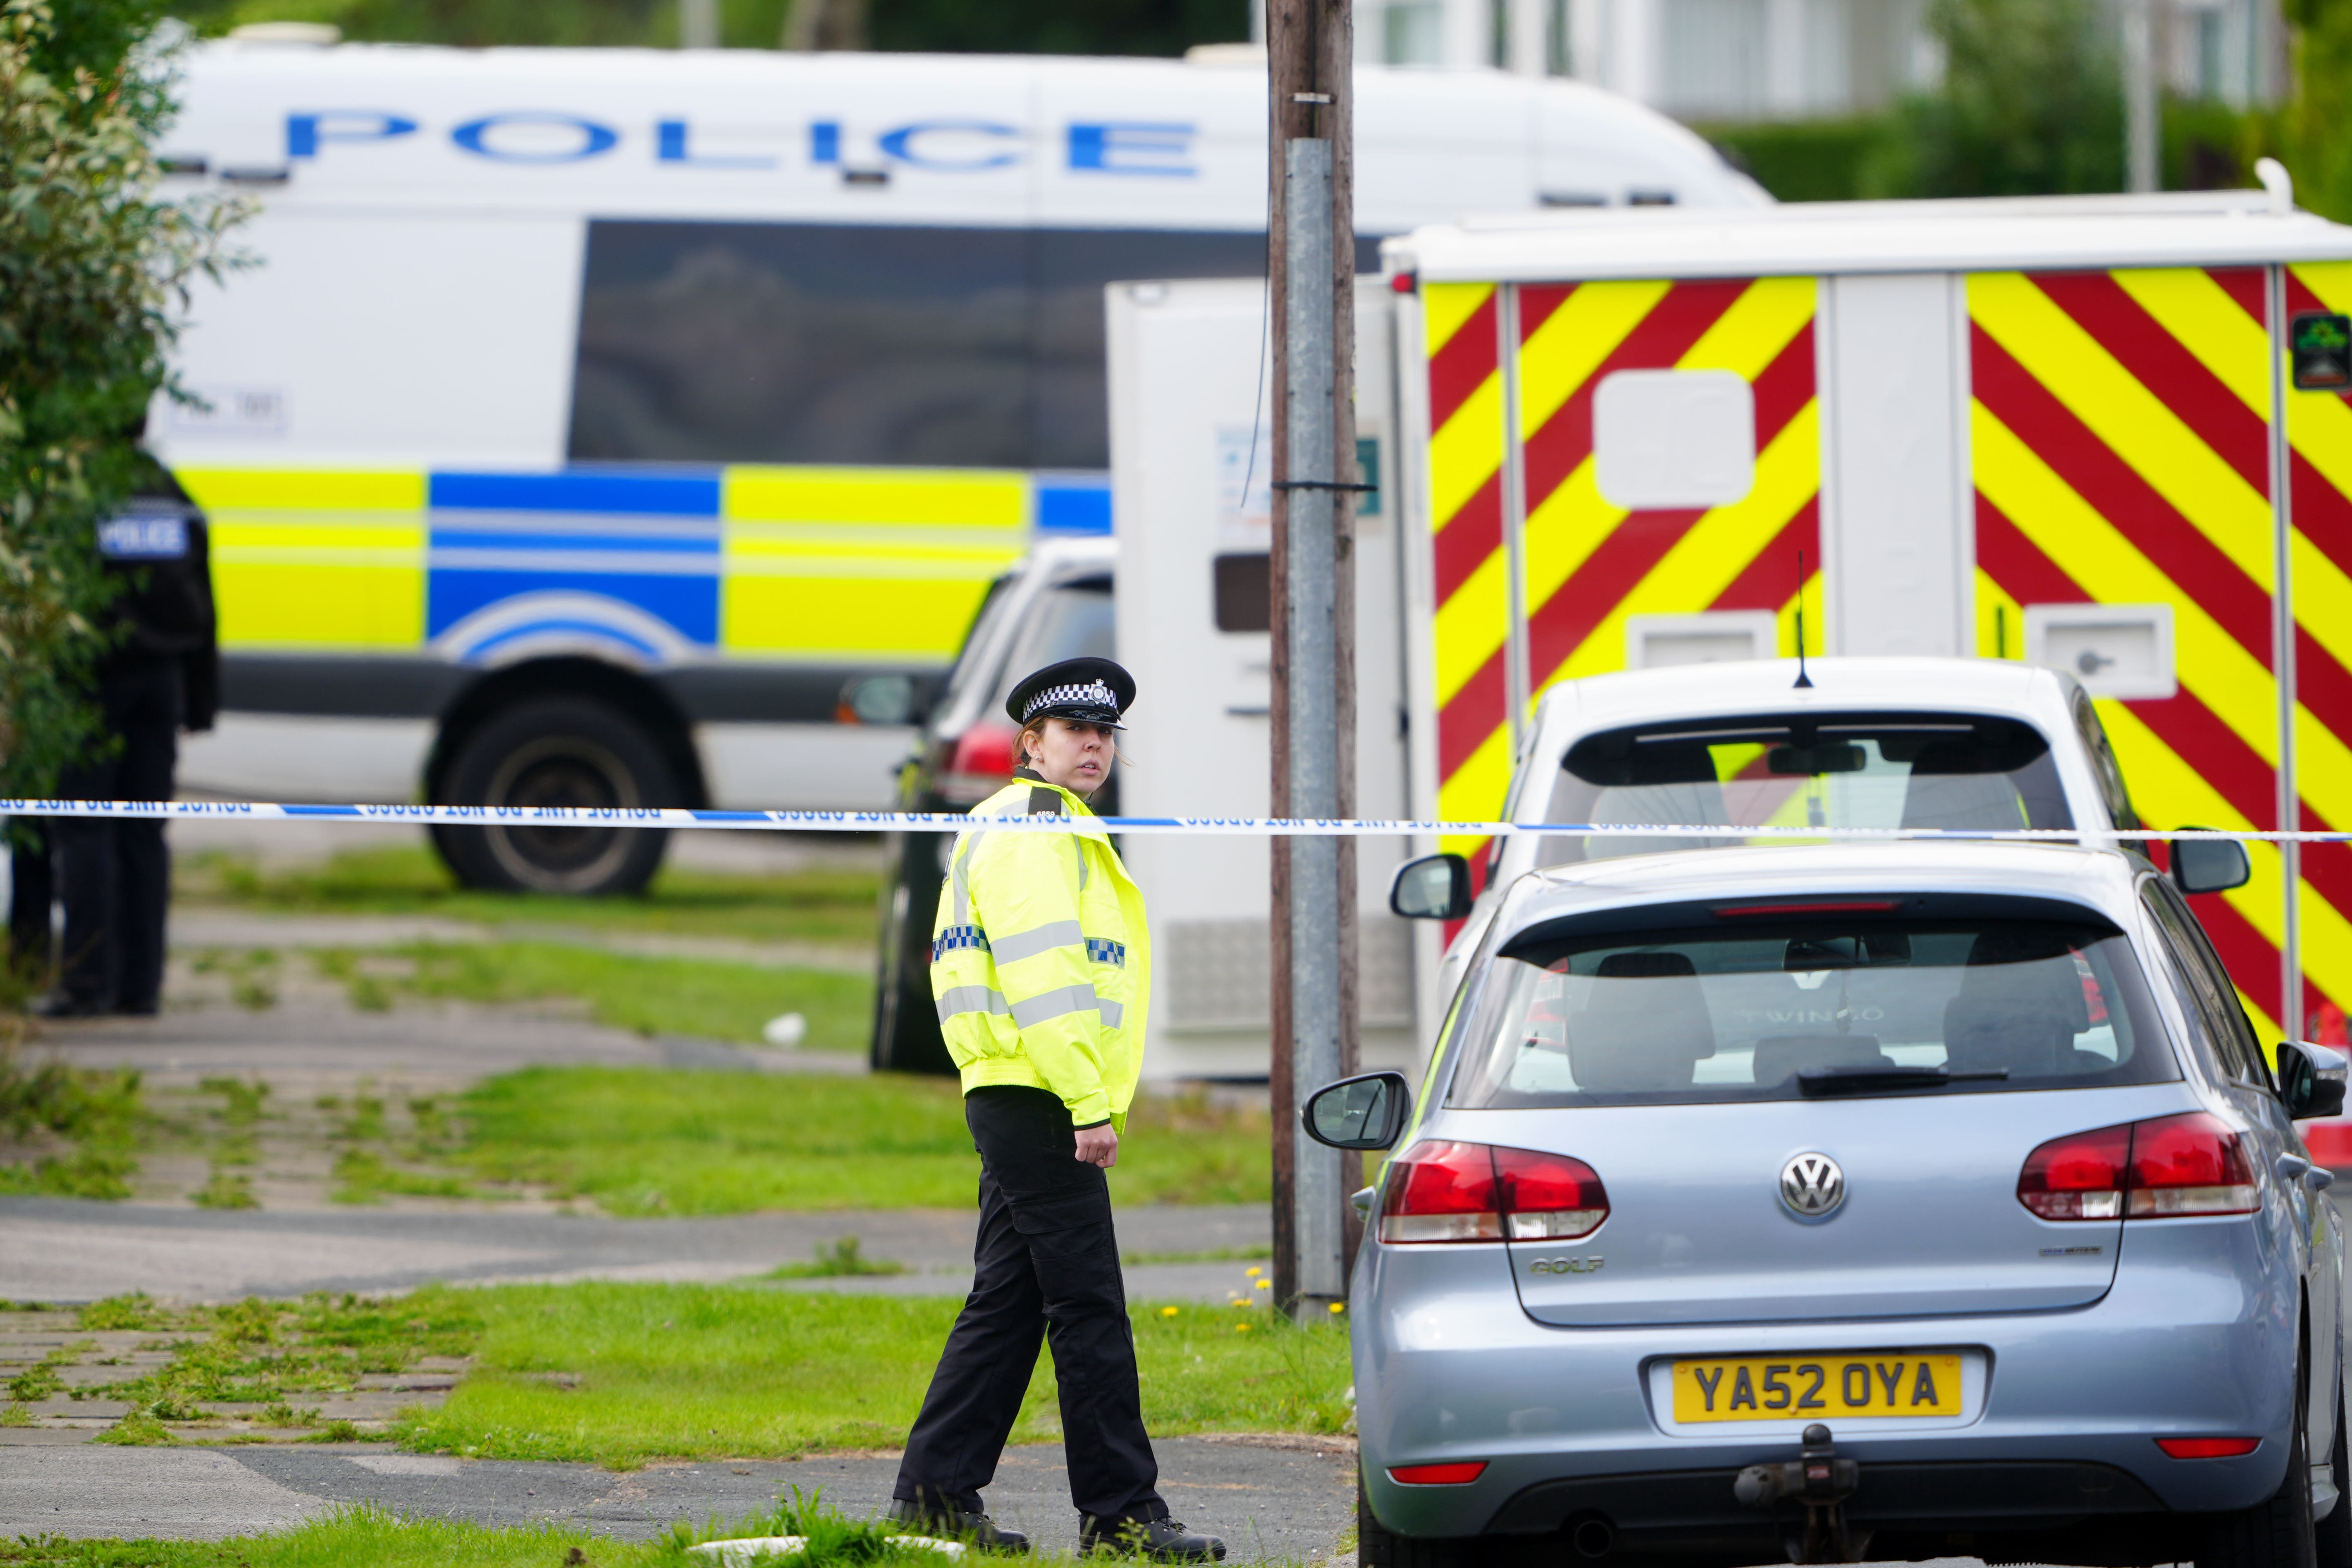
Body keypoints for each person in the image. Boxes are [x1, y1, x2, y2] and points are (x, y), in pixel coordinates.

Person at [890, 657, 1224, 1563]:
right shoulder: (1038, 831)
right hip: (1040, 1089)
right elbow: (1046, 976)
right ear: (1028, 745)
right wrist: (1087, 1101)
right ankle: (1122, 1519)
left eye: (1105, 732)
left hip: (1015, 1083)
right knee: (1090, 1309)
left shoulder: (1025, 824)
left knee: (1009, 1303)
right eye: (1075, 731)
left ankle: (932, 1496)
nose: (1094, 745)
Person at [38, 453, 218, 1017]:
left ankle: (88, 983)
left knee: (85, 831)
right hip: (161, 682)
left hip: (91, 680)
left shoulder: (78, 485)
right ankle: (142, 986)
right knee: (144, 834)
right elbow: (205, 603)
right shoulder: (168, 491)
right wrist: (203, 698)